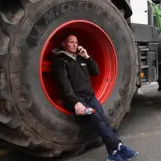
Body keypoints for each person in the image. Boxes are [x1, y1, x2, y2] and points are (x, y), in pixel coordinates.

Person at [50, 33, 139, 161]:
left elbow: (96, 71)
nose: (74, 44)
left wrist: (87, 57)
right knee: (96, 118)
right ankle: (119, 146)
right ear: (64, 44)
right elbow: (63, 85)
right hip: (77, 100)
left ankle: (113, 154)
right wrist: (75, 102)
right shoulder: (60, 61)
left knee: (105, 121)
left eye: (76, 42)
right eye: (71, 42)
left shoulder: (81, 58)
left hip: (90, 97)